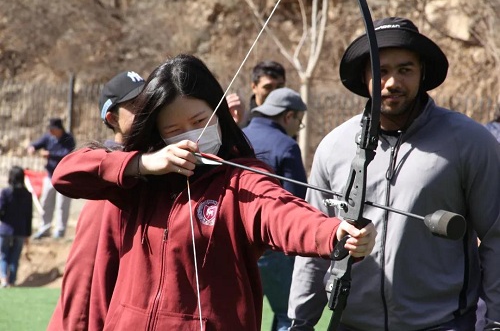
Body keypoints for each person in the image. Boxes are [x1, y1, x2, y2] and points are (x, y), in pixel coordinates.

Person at [51, 54, 376, 331]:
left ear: (219, 116)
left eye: (200, 120)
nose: (191, 136)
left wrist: (334, 232)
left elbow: (282, 212)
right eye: (174, 130)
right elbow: (67, 173)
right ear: (158, 136)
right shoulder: (141, 183)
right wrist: (144, 164)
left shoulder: (242, 180)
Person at [288, 17, 500, 331]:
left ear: (423, 73)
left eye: (405, 70)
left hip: (443, 324)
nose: (392, 83)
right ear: (365, 75)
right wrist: (300, 321)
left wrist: (495, 321)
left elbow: (497, 236)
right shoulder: (333, 147)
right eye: (381, 70)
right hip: (351, 323)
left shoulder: (469, 141)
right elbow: (315, 246)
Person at [47, 71, 145, 330]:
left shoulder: (158, 163)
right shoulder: (103, 175)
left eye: (151, 101)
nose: (148, 109)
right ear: (112, 118)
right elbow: (86, 278)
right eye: (136, 106)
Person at [242, 87, 308, 331]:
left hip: (237, 242)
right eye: (299, 122)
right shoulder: (286, 146)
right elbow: (296, 201)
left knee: (243, 312)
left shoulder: (240, 136)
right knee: (286, 314)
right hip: (272, 247)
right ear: (288, 116)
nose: (296, 130)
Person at [28, 117, 75, 239]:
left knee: (61, 205)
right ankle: (44, 228)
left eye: (52, 129)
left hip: (65, 177)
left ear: (59, 129)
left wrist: (50, 154)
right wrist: (32, 147)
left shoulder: (68, 139)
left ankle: (60, 230)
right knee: (46, 202)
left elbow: (67, 154)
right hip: (50, 176)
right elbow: (37, 144)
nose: (50, 132)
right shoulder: (49, 137)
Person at [0, 166, 33, 287]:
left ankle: (4, 279)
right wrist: (28, 234)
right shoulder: (27, 195)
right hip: (20, 231)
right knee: (15, 257)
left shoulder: (5, 192)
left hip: (5, 229)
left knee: (3, 255)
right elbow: (29, 216)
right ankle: (12, 281)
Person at [227, 60, 286, 126]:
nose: (274, 92)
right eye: (268, 87)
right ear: (254, 87)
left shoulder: (288, 121)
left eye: (279, 87)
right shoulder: (243, 121)